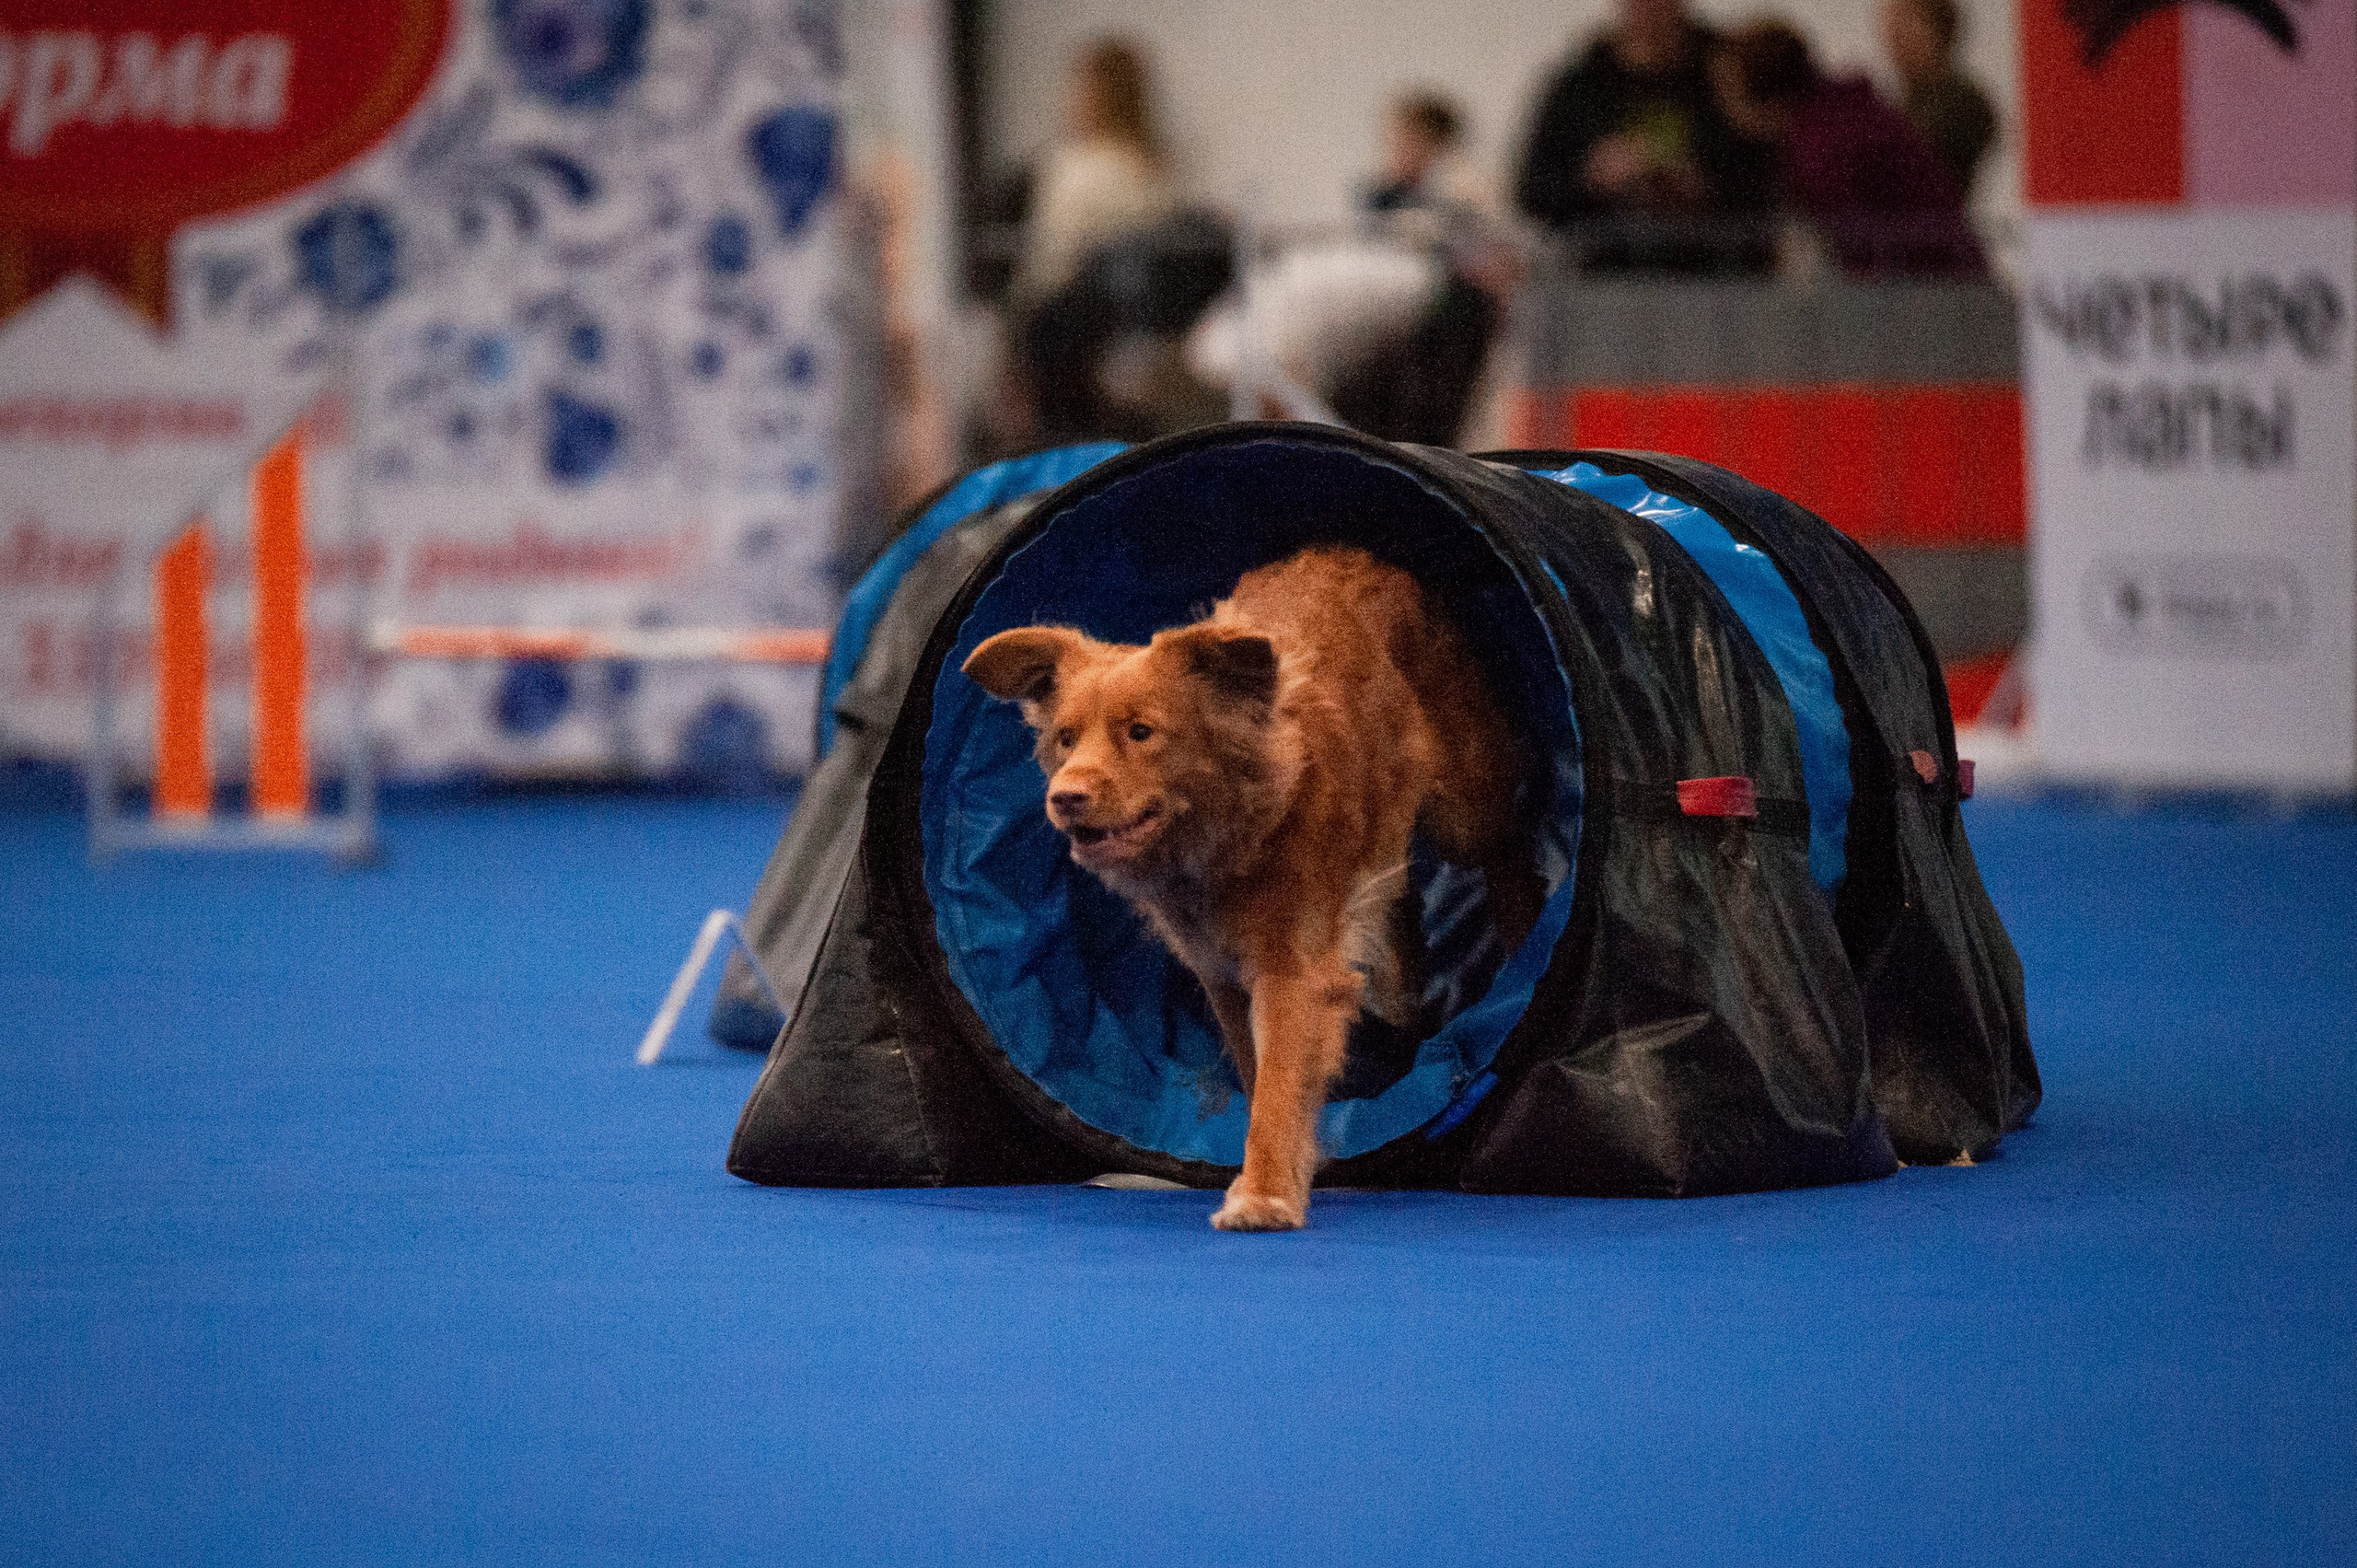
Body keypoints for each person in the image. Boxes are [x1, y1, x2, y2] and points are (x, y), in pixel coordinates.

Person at [1710, 17, 1984, 277]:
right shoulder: (1841, 114)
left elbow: (1860, 252)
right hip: (1944, 274)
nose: (1725, 106)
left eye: (1729, 90)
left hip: (1930, 286)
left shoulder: (1824, 146)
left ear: (1761, 94)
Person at [1512, 0, 1773, 270]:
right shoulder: (1578, 87)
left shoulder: (1732, 76)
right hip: (1604, 280)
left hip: (1722, 278)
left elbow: (1771, 175)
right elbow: (1532, 190)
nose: (1650, 8)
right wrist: (1591, 179)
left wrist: (1705, 186)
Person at [1010, 40, 1178, 309]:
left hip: (1070, 311)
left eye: (1077, 89)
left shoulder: (1073, 165)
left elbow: (1049, 263)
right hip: (1136, 318)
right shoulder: (1156, 169)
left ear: (1095, 97)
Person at [1882, 0, 1998, 198]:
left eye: (1905, 25)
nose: (1893, 38)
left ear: (1936, 32)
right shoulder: (1896, 101)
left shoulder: (1965, 104)